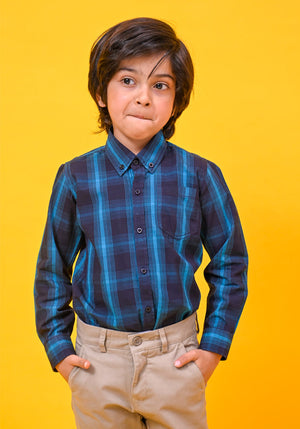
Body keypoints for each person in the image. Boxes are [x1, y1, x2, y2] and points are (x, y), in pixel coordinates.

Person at [34, 17, 248, 429]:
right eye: (128, 81)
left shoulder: (199, 175)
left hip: (176, 358)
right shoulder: (76, 177)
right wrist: (61, 351)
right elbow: (51, 269)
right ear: (101, 92)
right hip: (98, 364)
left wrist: (212, 349)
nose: (144, 98)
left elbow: (230, 262)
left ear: (177, 99)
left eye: (160, 85)